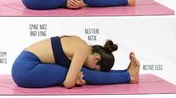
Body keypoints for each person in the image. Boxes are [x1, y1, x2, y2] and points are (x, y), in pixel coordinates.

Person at [11, 35, 140, 88]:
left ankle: (127, 74)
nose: (91, 68)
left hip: (23, 66)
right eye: (95, 68)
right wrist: (74, 79)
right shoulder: (82, 50)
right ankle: (128, 76)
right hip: (26, 70)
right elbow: (68, 83)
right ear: (96, 58)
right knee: (84, 74)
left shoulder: (79, 42)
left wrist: (74, 77)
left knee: (77, 72)